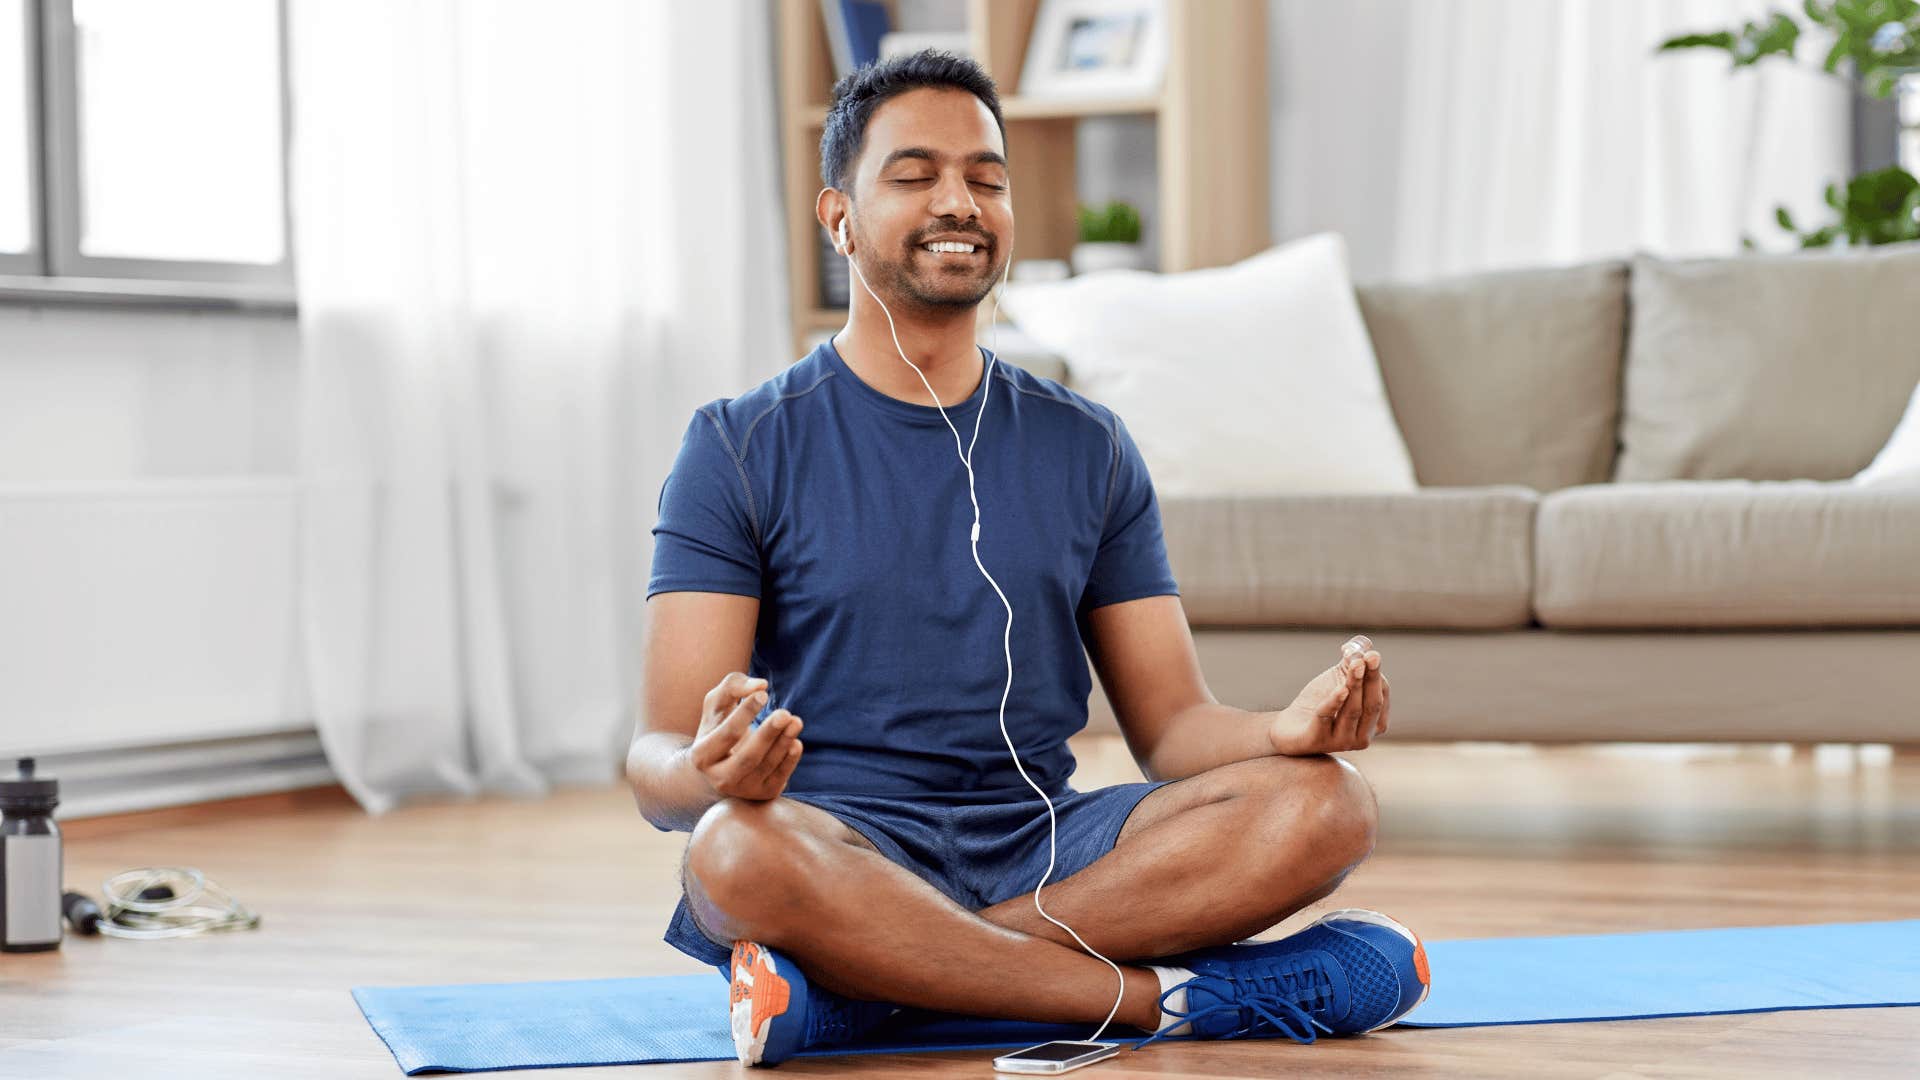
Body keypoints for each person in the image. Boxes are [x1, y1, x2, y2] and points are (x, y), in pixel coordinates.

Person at [628, 50, 1428, 1068]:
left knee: (1328, 800)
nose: (959, 201)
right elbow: (655, 766)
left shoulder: (1086, 444)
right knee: (731, 851)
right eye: (914, 176)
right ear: (839, 217)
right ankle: (1162, 1003)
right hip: (839, 849)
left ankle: (878, 991)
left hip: (1047, 846)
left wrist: (1284, 728)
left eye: (988, 178)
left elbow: (1174, 731)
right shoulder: (737, 443)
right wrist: (703, 770)